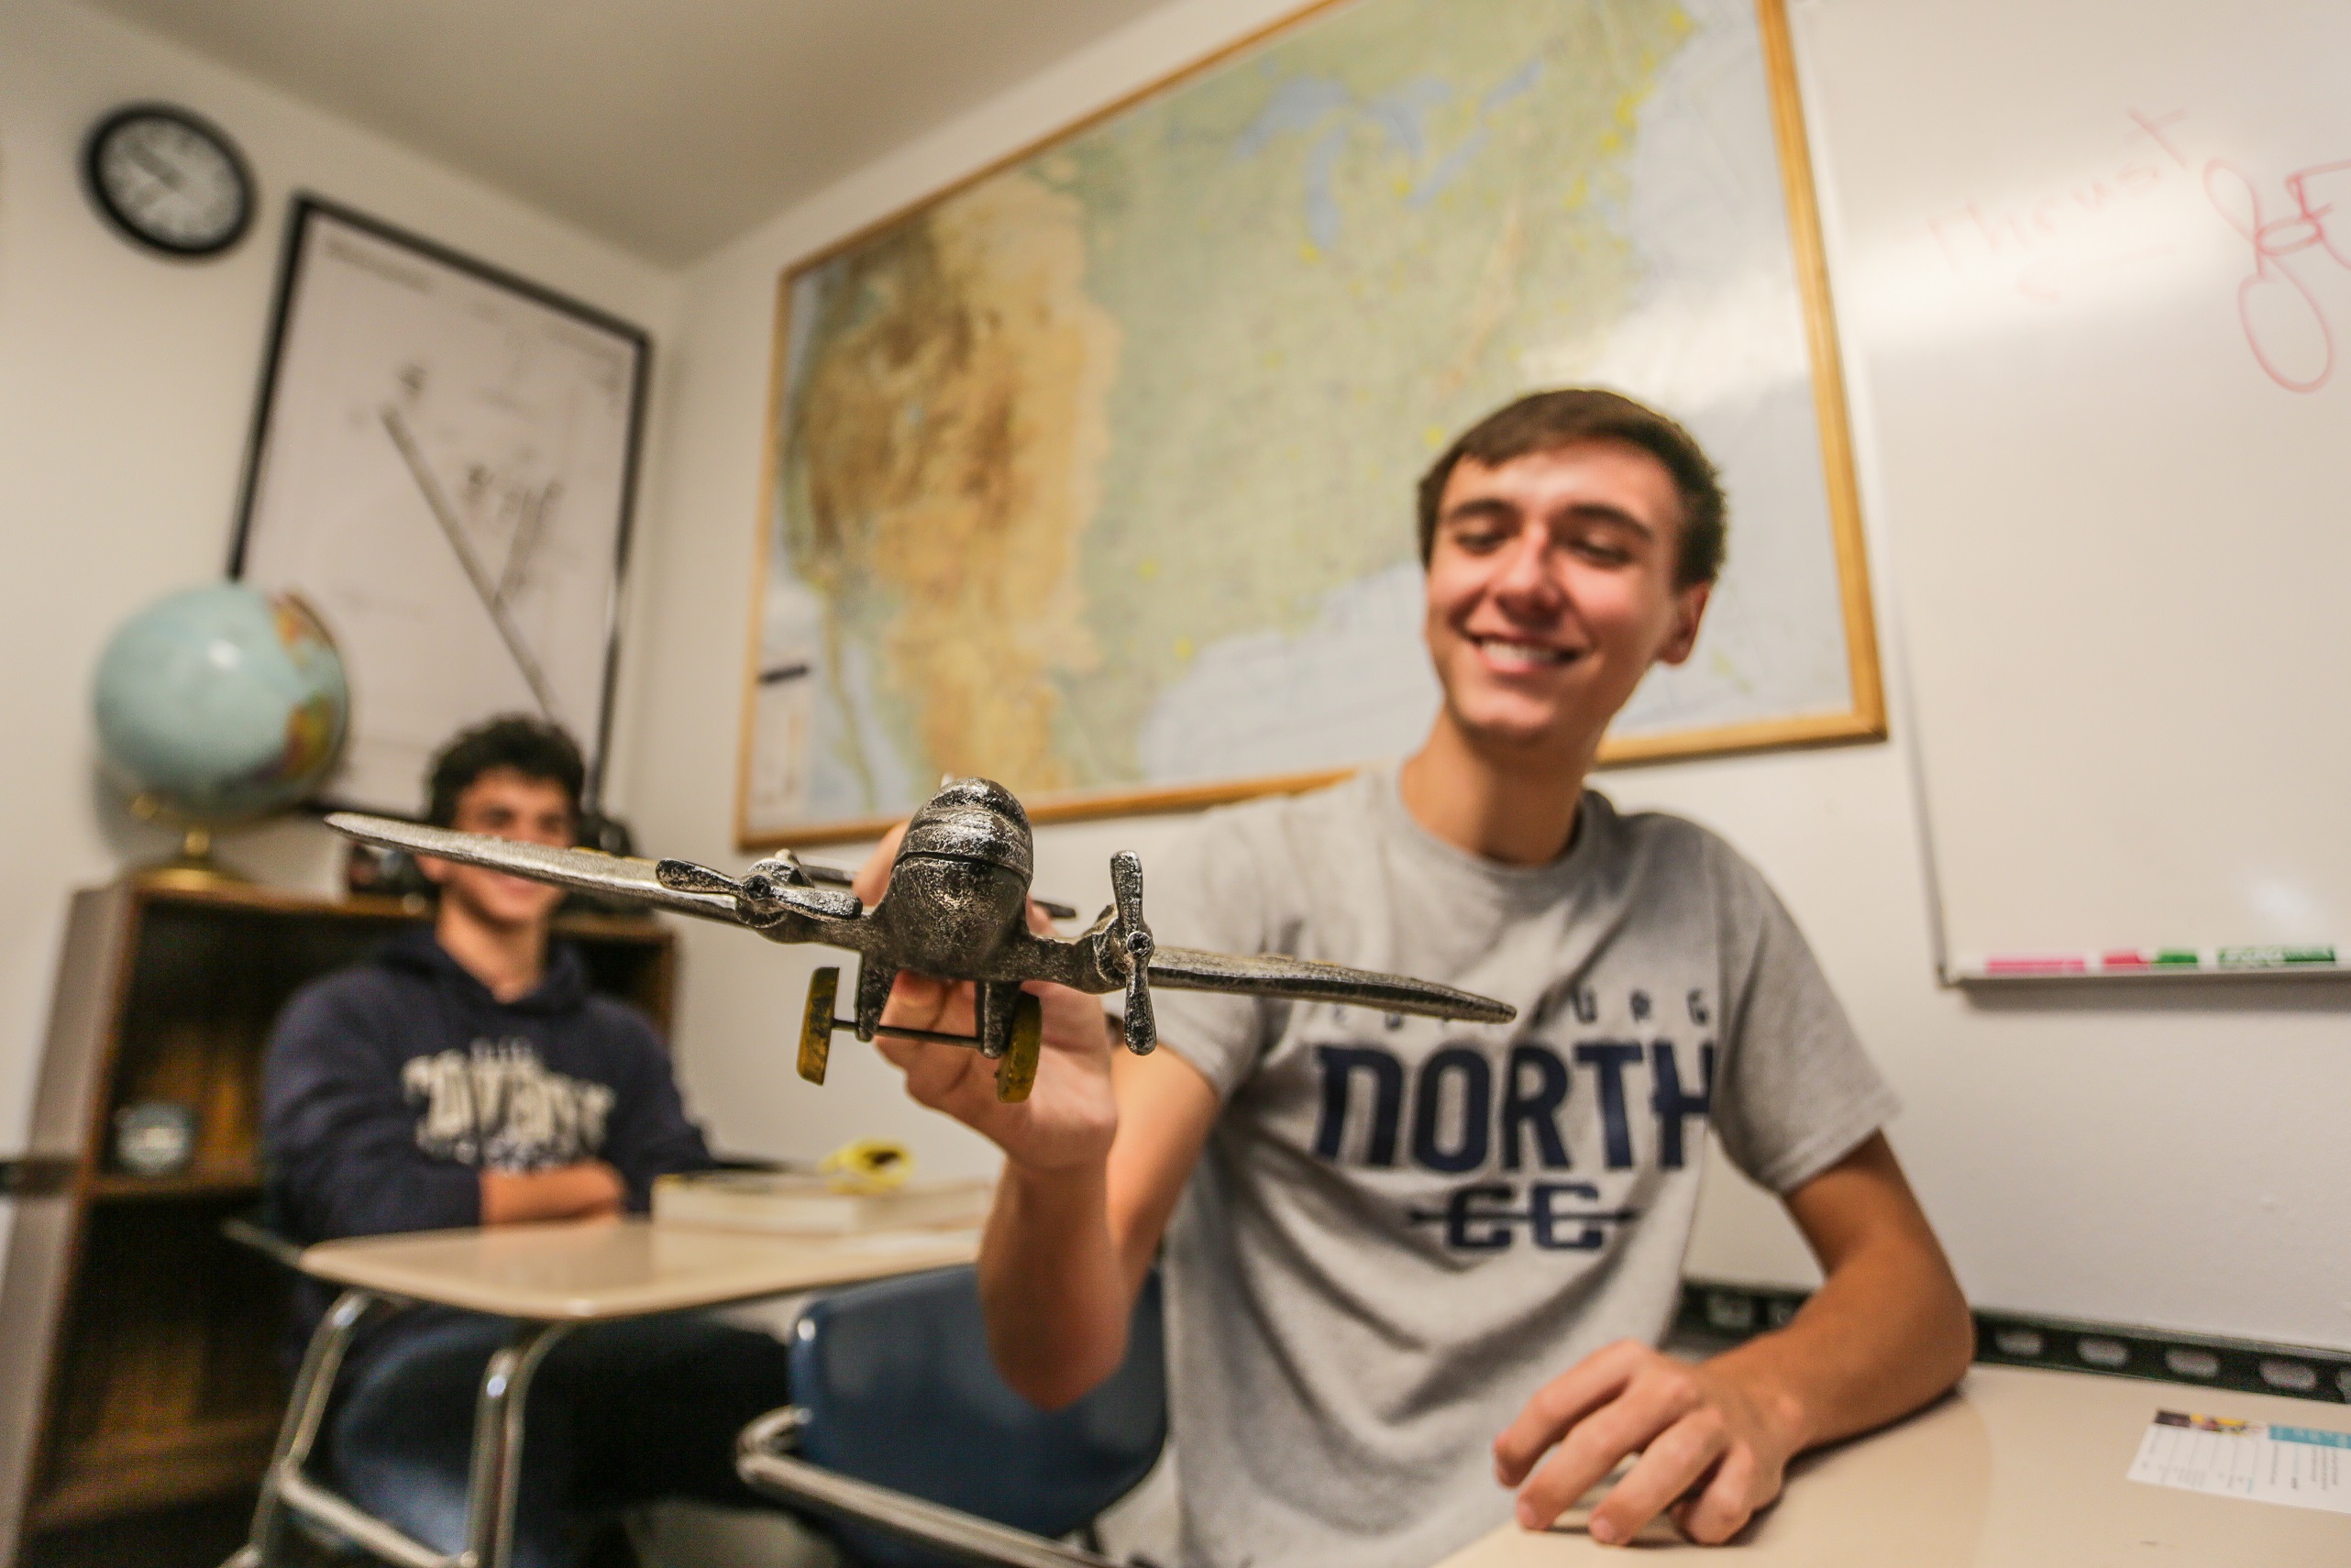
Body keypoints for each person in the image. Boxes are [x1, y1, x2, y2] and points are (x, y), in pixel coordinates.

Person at [855, 390, 1975, 1566]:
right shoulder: (1257, 876)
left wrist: (1760, 1395)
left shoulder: (1705, 902)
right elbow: (1056, 1363)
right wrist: (1056, 1167)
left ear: (1681, 617)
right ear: (1433, 580)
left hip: (1590, 1543)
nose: (1525, 578)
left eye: (1596, 545)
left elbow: (1917, 1299)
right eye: (1482, 533)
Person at [262, 716, 795, 1568]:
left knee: (845, 1420)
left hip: (607, 1344)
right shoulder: (346, 1014)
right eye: (496, 822)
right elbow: (369, 1206)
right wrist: (584, 1186)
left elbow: (678, 1190)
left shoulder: (618, 1034)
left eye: (552, 827)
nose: (529, 848)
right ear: (434, 853)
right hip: (420, 1358)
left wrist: (502, 1204)